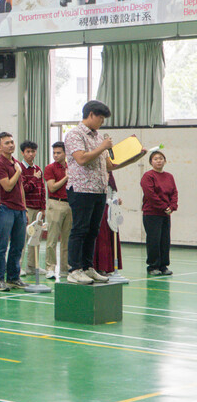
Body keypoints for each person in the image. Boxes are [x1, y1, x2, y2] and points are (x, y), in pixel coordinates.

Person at [63, 100, 143, 285]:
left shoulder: (99, 137)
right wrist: (102, 147)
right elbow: (81, 159)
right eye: (100, 118)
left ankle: (88, 267)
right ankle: (74, 269)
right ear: (90, 114)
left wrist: (135, 158)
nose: (102, 122)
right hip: (81, 190)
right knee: (79, 229)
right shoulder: (75, 134)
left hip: (99, 191)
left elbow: (109, 165)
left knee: (93, 230)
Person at [0, 133, 28, 291]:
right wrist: (18, 172)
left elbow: (19, 188)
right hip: (4, 208)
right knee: (1, 245)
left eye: (12, 142)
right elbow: (7, 186)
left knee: (18, 245)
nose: (11, 145)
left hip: (19, 209)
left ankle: (13, 277)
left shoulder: (16, 163)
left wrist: (24, 208)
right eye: (7, 143)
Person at [141, 150, 177, 276]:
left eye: (161, 158)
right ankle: (153, 266)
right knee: (154, 240)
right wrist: (163, 207)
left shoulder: (169, 176)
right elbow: (150, 195)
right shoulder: (148, 176)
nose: (158, 161)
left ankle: (163, 265)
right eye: (155, 159)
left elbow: (174, 193)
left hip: (165, 214)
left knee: (165, 240)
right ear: (151, 162)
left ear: (165, 161)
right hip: (151, 213)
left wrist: (172, 207)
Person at [44, 141, 72, 279]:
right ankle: (50, 267)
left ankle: (65, 267)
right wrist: (67, 177)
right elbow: (52, 187)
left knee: (67, 239)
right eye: (54, 153)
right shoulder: (50, 168)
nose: (55, 155)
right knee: (52, 238)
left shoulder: (71, 167)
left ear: (65, 153)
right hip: (55, 203)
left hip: (70, 205)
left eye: (58, 153)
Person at [19, 140, 46, 275]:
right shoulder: (20, 168)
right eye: (28, 151)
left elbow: (42, 190)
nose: (30, 154)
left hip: (38, 209)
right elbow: (23, 189)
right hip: (27, 208)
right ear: (22, 153)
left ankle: (32, 266)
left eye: (33, 151)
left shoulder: (38, 169)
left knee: (36, 238)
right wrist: (34, 179)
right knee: (23, 238)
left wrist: (43, 207)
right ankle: (18, 267)